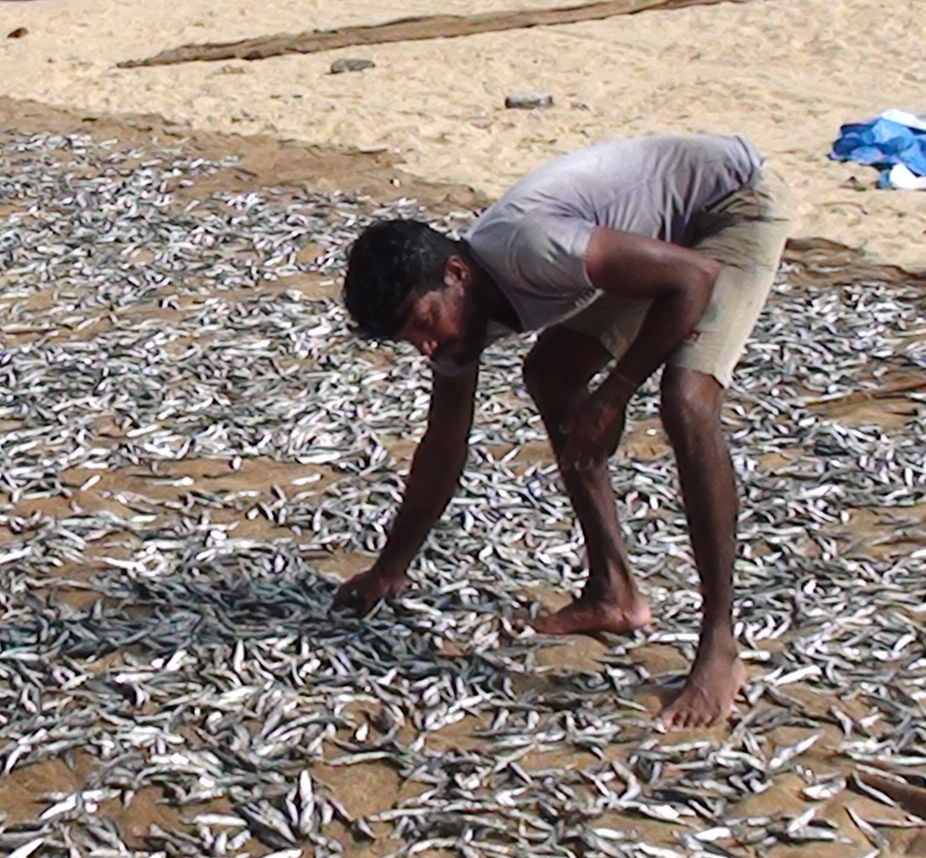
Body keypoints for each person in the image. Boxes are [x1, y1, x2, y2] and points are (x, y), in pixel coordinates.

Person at [334, 134, 793, 728]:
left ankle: (720, 645)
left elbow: (694, 278)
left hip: (730, 205)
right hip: (658, 248)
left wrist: (613, 395)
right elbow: (444, 445)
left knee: (686, 400)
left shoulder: (532, 248)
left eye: (426, 324)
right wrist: (390, 568)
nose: (428, 347)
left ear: (456, 273)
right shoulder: (460, 315)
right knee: (551, 374)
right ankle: (614, 593)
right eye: (412, 340)